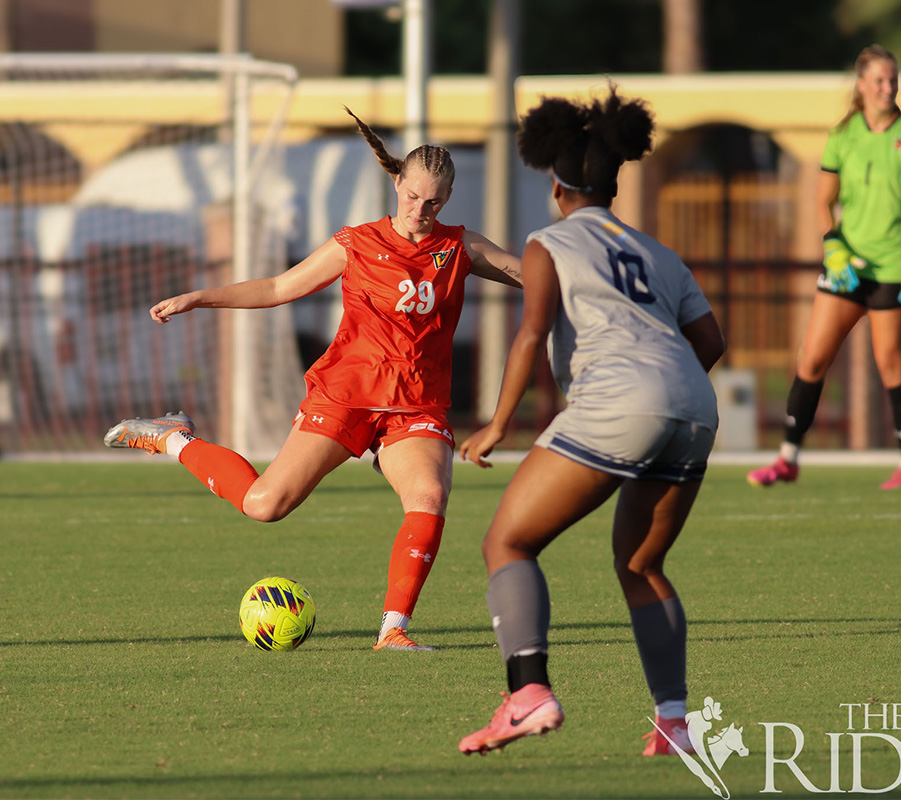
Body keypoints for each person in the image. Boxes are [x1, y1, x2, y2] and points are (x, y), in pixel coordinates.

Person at [103, 107, 522, 652]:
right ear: (397, 183)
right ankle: (173, 437)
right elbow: (279, 289)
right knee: (264, 506)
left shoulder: (458, 247)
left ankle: (393, 629)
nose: (422, 209)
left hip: (415, 406)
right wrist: (199, 297)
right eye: (413, 196)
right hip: (346, 395)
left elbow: (531, 274)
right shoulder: (356, 242)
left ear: (448, 198)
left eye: (435, 201)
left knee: (428, 493)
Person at [456, 87, 726, 756]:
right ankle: (675, 723)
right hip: (693, 404)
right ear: (614, 183)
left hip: (620, 401)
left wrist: (497, 426)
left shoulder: (549, 243)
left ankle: (527, 696)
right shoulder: (658, 253)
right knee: (641, 564)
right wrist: (667, 390)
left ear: (555, 185)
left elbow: (531, 335)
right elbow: (712, 343)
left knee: (508, 543)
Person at [747, 45, 901, 490]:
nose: (887, 88)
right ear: (860, 85)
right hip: (848, 268)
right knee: (812, 357)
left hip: (896, 267)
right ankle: (787, 458)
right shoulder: (842, 136)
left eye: (893, 80)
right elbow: (822, 200)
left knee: (892, 363)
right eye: (878, 80)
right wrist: (832, 246)